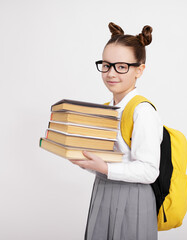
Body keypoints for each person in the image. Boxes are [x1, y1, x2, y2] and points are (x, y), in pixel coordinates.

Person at [69, 22, 163, 240]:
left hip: (133, 198)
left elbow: (149, 171)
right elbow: (106, 161)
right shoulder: (106, 108)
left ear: (139, 69)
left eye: (121, 66)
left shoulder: (142, 112)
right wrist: (85, 160)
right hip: (103, 192)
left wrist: (106, 169)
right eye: (106, 65)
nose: (111, 73)